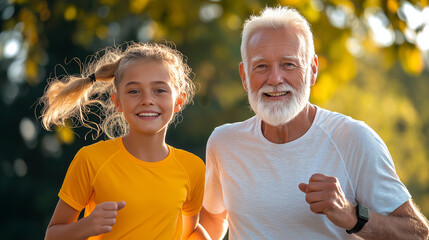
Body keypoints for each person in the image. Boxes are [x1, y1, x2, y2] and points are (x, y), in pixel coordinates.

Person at [199, 6, 429, 240]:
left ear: (312, 70)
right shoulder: (224, 142)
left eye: (289, 64)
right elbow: (214, 218)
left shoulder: (353, 139)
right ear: (245, 76)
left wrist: (352, 215)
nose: (275, 79)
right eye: (261, 66)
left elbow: (418, 234)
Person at [40, 42, 210, 240]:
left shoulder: (193, 168)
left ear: (179, 101)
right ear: (117, 101)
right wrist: (87, 225)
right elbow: (52, 236)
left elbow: (189, 232)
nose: (147, 100)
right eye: (134, 91)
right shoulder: (91, 159)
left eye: (160, 90)